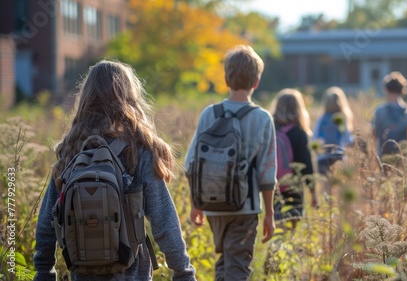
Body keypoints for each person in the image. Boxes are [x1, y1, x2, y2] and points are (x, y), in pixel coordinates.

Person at [34, 60, 197, 281]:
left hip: (83, 272)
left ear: (86, 98)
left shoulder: (71, 152)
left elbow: (46, 224)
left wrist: (44, 272)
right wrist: (183, 272)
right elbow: (163, 221)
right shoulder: (138, 151)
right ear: (128, 97)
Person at [184, 45, 276, 281]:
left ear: (226, 79)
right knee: (238, 266)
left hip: (212, 204)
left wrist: (196, 203)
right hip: (244, 207)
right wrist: (269, 215)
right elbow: (267, 173)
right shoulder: (262, 118)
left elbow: (191, 163)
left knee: (226, 261)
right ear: (256, 81)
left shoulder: (209, 114)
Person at [269, 88, 316, 230]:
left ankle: (276, 249)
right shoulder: (299, 133)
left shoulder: (270, 129)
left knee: (277, 226)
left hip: (272, 186)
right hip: (293, 187)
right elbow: (306, 165)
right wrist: (313, 193)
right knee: (290, 228)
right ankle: (286, 246)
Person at [372, 71, 407, 156]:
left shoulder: (379, 111)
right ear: (403, 90)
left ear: (386, 90)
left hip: (384, 156)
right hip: (403, 156)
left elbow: (374, 134)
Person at [313, 86, 354, 176]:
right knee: (338, 186)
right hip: (338, 157)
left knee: (325, 186)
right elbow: (347, 139)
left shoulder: (321, 119)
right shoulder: (341, 118)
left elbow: (314, 138)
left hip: (322, 157)